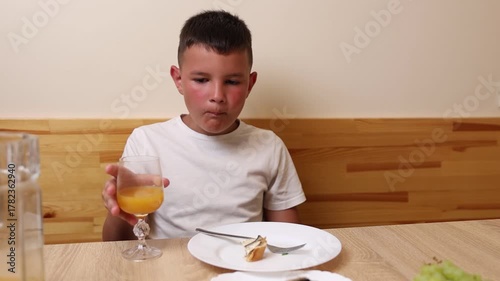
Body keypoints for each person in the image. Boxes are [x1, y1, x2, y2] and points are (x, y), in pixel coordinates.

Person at [101, 10, 306, 241]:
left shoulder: (269, 147)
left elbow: (289, 240)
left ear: (250, 84)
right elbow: (116, 245)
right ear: (178, 80)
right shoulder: (147, 142)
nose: (217, 96)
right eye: (201, 80)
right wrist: (118, 208)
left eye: (232, 81)